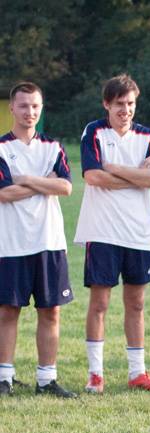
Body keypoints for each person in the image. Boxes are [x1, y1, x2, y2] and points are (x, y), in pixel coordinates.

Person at [74, 73, 150, 394]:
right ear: (106, 104)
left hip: (138, 232)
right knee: (100, 303)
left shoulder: (147, 135)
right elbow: (93, 177)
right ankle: (95, 374)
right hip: (102, 230)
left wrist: (114, 168)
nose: (125, 110)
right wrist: (138, 175)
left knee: (136, 303)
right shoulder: (94, 131)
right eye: (119, 104)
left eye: (130, 104)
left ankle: (137, 373)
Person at [0, 81, 76, 397]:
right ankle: (4, 378)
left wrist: (25, 180)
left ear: (41, 109)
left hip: (49, 242)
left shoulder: (53, 147)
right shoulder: (2, 148)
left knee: (50, 311)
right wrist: (46, 183)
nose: (29, 112)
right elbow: (4, 194)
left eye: (35, 106)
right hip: (10, 243)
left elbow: (66, 187)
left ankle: (46, 380)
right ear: (11, 108)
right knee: (8, 311)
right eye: (23, 105)